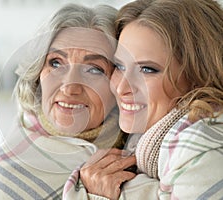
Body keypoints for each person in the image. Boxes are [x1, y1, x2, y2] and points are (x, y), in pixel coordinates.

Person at [63, 0, 223, 199]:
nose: (121, 87)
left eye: (147, 69)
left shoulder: (199, 147)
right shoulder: (148, 145)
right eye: (119, 66)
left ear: (198, 76)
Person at [0, 4, 130, 200]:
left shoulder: (140, 143)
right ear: (38, 73)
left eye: (94, 69)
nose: (69, 88)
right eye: (56, 63)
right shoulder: (7, 172)